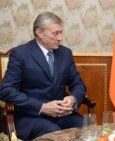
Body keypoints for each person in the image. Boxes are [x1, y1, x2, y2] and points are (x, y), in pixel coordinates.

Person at [0, 12, 86, 140]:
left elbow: (78, 84)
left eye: (61, 32)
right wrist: (42, 107)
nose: (60, 38)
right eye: (55, 33)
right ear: (39, 32)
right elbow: (6, 90)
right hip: (30, 116)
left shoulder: (65, 53)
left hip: (61, 115)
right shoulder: (21, 54)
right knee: (54, 133)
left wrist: (73, 99)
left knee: (87, 127)